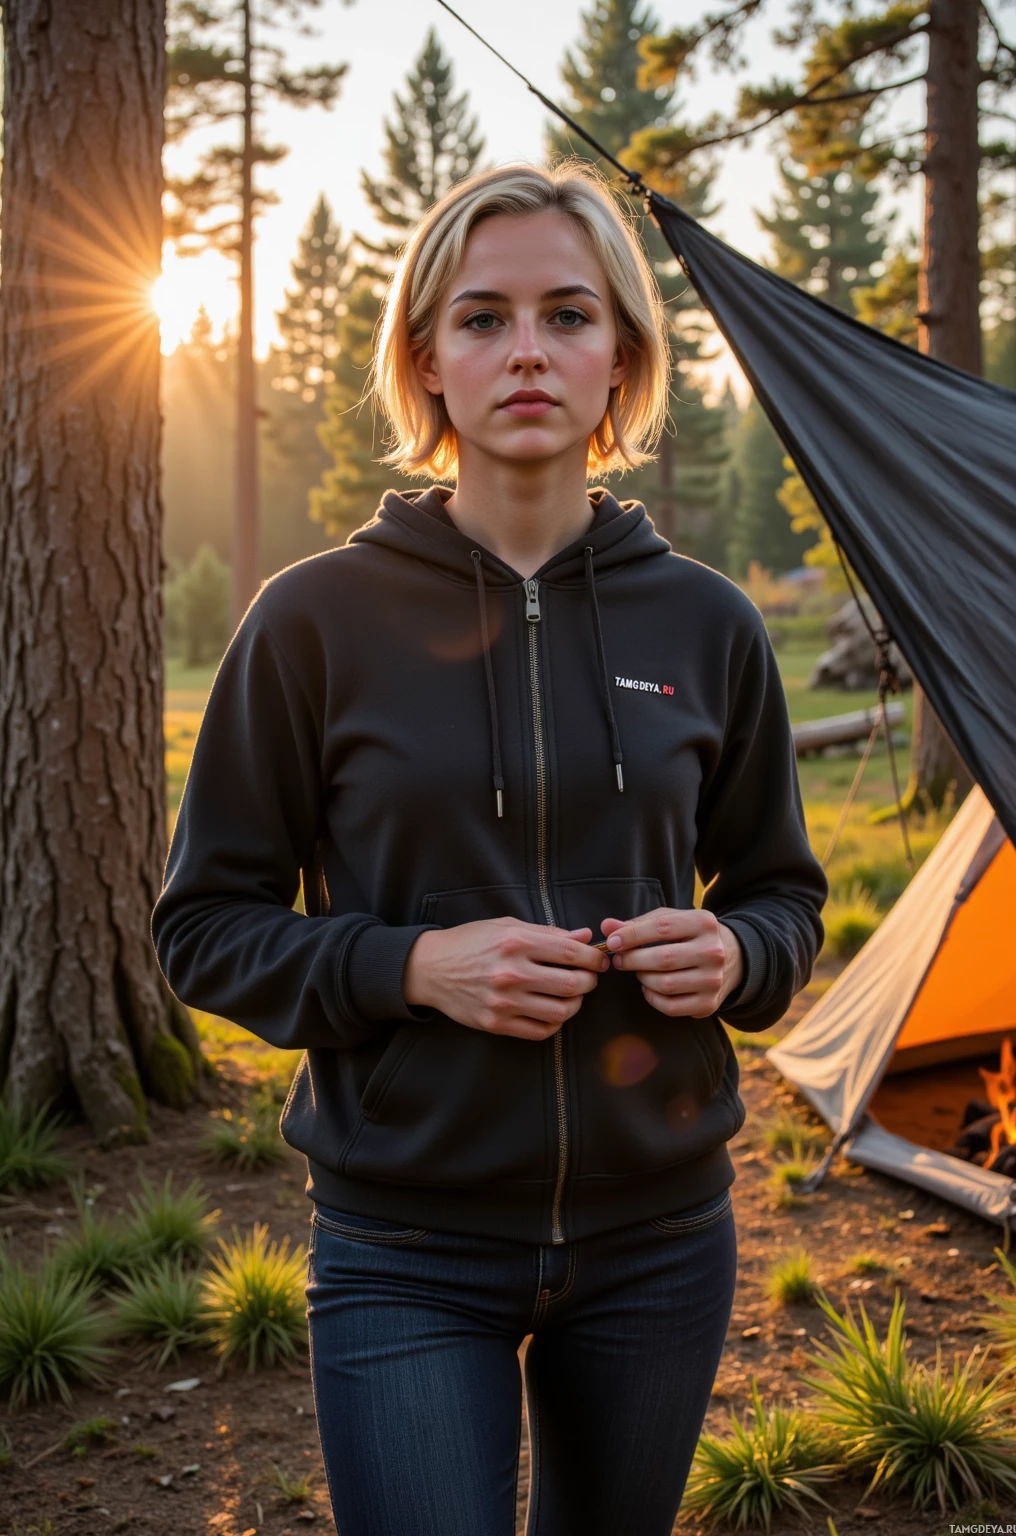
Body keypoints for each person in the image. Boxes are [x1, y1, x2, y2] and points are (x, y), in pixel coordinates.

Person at [152, 161, 828, 1536]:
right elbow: (203, 926)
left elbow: (784, 898)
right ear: (426, 362)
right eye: (483, 318)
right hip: (406, 1245)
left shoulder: (710, 626)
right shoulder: (311, 623)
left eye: (569, 314)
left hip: (662, 1240)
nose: (528, 349)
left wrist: (738, 951)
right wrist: (411, 969)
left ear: (624, 362)